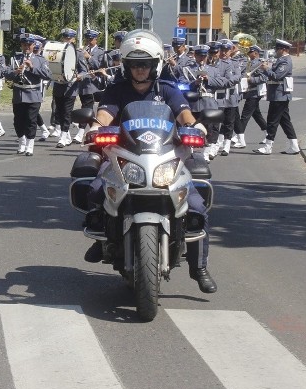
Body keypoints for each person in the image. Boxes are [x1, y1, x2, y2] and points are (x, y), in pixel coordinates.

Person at [84, 30, 216, 294]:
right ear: (127, 66)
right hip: (125, 157)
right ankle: (103, 237)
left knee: (196, 204)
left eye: (144, 64)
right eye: (134, 64)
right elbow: (104, 115)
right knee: (97, 189)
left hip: (163, 157)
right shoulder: (116, 90)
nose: (140, 70)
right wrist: (95, 127)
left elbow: (184, 115)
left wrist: (196, 128)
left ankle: (199, 267)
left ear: (154, 65)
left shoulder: (167, 90)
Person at [2, 33, 52, 156]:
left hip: (33, 93)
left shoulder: (40, 59)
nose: (27, 47)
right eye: (24, 44)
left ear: (33, 45)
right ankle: (21, 142)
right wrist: (15, 71)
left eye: (29, 45)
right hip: (19, 93)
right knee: (18, 121)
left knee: (31, 120)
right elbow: (6, 73)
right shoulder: (15, 58)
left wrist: (32, 68)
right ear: (21, 45)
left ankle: (30, 145)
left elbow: (48, 75)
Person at [252, 39, 299, 155]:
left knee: (272, 121)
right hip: (277, 95)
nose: (276, 51)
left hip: (280, 95)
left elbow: (277, 76)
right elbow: (271, 74)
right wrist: (261, 70)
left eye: (277, 49)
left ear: (283, 50)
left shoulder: (285, 61)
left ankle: (268, 146)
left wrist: (266, 69)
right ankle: (294, 146)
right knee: (285, 121)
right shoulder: (280, 60)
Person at [72, 29, 107, 144]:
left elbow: (101, 66)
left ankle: (81, 132)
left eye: (91, 39)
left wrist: (89, 58)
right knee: (86, 109)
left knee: (87, 108)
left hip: (93, 84)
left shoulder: (100, 52)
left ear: (96, 39)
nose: (89, 41)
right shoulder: (82, 50)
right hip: (82, 83)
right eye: (87, 39)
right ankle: (96, 130)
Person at [233, 46, 268, 149]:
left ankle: (239, 136)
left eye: (251, 52)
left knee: (245, 115)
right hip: (249, 92)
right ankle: (268, 133)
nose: (248, 53)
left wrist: (250, 79)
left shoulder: (260, 63)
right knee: (256, 115)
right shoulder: (249, 63)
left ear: (256, 53)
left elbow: (263, 78)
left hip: (255, 92)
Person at [51, 28, 80, 148]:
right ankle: (67, 135)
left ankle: (62, 138)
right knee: (60, 112)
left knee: (67, 113)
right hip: (58, 86)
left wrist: (79, 76)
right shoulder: (57, 52)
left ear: (73, 39)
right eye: (65, 38)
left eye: (69, 38)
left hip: (71, 88)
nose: (67, 40)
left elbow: (83, 71)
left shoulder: (78, 52)